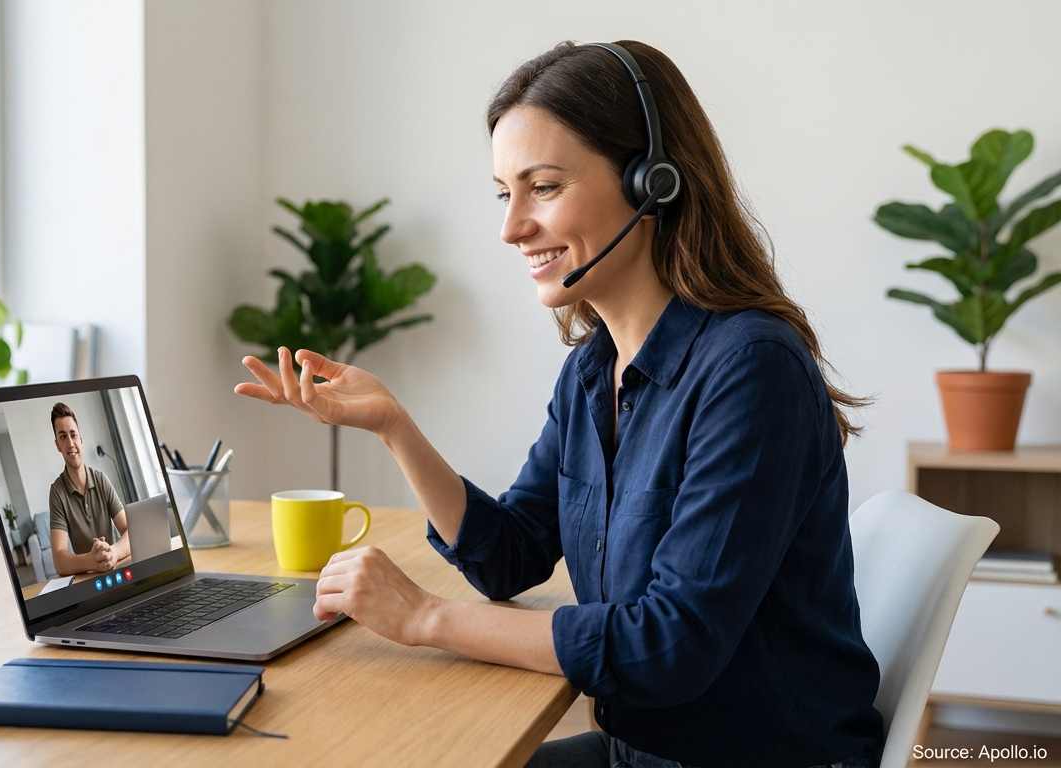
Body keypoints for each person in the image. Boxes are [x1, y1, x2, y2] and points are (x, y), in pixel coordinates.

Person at [235, 40, 883, 768]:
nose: (511, 228)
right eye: (504, 193)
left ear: (652, 183)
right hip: (637, 749)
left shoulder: (751, 370)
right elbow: (508, 556)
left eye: (542, 188)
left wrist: (423, 616)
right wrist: (393, 425)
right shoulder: (592, 372)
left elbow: (669, 645)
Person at [47, 402, 130, 576]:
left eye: (73, 435)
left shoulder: (101, 480)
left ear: (81, 439)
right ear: (57, 445)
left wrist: (113, 553)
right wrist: (91, 561)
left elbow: (130, 531)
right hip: (88, 580)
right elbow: (59, 561)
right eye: (63, 437)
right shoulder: (57, 492)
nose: (70, 443)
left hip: (116, 571)